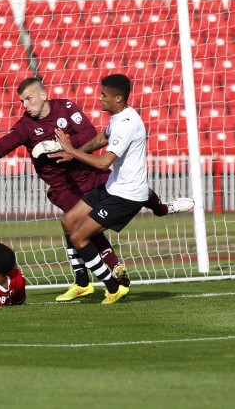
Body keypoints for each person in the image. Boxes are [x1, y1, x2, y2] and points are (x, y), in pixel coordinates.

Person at [0, 77, 179, 302]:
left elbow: (90, 134)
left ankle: (160, 209)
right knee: (77, 226)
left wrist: (59, 145)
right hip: (64, 187)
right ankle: (100, 275)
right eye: (21, 101)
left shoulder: (66, 108)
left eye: (28, 99)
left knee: (119, 199)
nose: (25, 105)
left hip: (91, 174)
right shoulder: (25, 126)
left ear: (43, 95)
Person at [51, 73, 194, 305]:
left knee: (79, 237)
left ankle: (113, 287)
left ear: (118, 98)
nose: (100, 99)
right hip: (113, 186)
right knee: (68, 222)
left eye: (104, 95)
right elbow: (101, 139)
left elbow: (103, 162)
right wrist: (75, 151)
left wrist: (72, 150)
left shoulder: (127, 124)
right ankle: (82, 283)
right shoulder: (118, 118)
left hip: (125, 196)